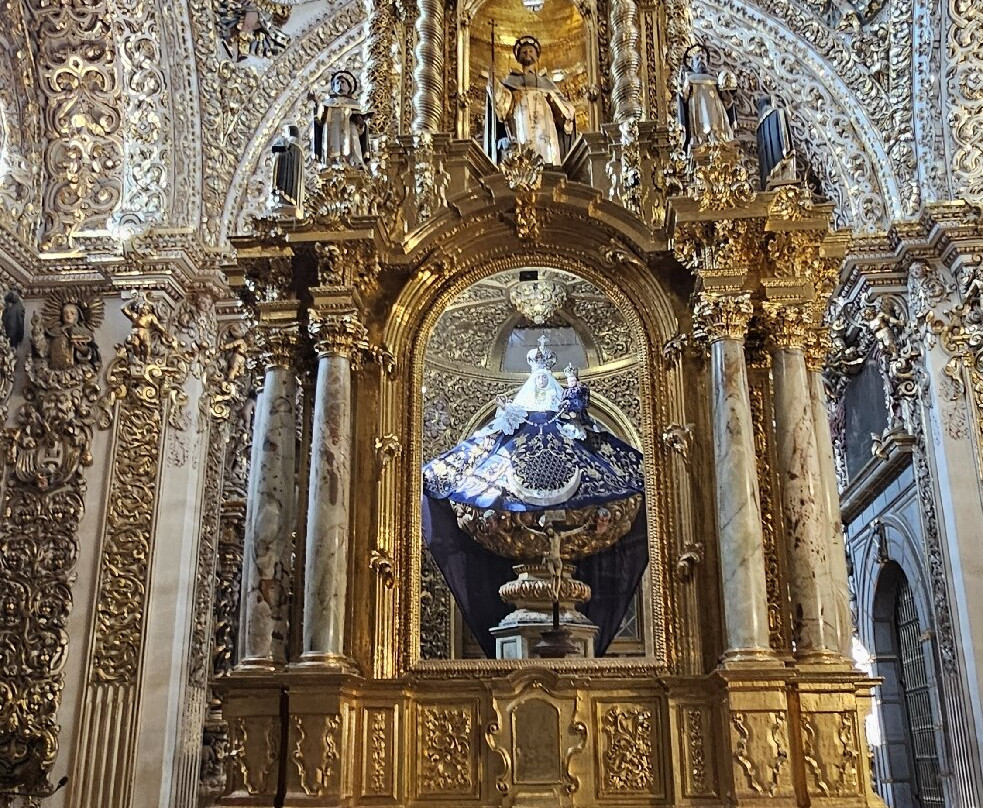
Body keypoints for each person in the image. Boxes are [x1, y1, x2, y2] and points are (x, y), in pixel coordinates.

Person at [485, 36, 576, 166]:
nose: (527, 54)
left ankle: (550, 166)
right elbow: (503, 106)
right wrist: (494, 82)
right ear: (518, 58)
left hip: (545, 123)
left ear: (537, 56)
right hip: (521, 119)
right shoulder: (511, 81)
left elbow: (566, 110)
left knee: (546, 149)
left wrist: (554, 101)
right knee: (524, 147)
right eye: (524, 52)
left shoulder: (547, 82)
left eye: (531, 51)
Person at [678, 45, 737, 155]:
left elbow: (725, 101)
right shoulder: (690, 79)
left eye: (703, 58)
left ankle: (721, 137)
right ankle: (700, 139)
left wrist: (728, 100)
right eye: (697, 58)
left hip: (716, 112)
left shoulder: (715, 80)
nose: (701, 60)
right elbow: (683, 98)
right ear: (692, 64)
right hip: (698, 110)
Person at [311, 71, 372, 168]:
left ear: (349, 87)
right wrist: (316, 102)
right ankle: (331, 162)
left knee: (352, 144)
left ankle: (354, 162)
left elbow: (361, 128)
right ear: (333, 87)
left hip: (350, 130)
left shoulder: (354, 104)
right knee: (332, 147)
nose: (340, 84)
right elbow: (319, 120)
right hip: (332, 130)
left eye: (343, 82)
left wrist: (361, 124)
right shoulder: (327, 103)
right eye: (337, 83)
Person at [755, 95, 797, 189]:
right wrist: (787, 112)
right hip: (779, 154)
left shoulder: (759, 128)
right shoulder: (776, 113)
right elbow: (782, 127)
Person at [270, 124, 304, 217]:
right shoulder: (297, 145)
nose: (284, 134)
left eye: (285, 131)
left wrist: (279, 152)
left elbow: (286, 153)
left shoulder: (292, 142)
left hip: (287, 172)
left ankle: (284, 197)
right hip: (291, 173)